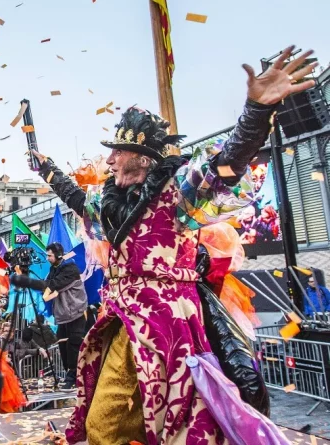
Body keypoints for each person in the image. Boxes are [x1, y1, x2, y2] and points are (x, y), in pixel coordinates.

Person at [29, 45, 316, 444]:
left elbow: (225, 167)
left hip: (166, 328)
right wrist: (46, 168)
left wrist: (255, 112)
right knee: (107, 426)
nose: (109, 161)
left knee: (166, 424)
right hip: (121, 321)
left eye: (118, 152)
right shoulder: (109, 205)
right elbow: (76, 198)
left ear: (143, 160)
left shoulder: (176, 194)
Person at [11, 242, 86, 389]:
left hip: (75, 313)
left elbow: (53, 285)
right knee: (63, 346)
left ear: (58, 255)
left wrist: (29, 282)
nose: (47, 258)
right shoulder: (54, 269)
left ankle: (73, 377)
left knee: (74, 345)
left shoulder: (69, 269)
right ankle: (69, 374)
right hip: (63, 314)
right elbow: (47, 285)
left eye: (49, 255)